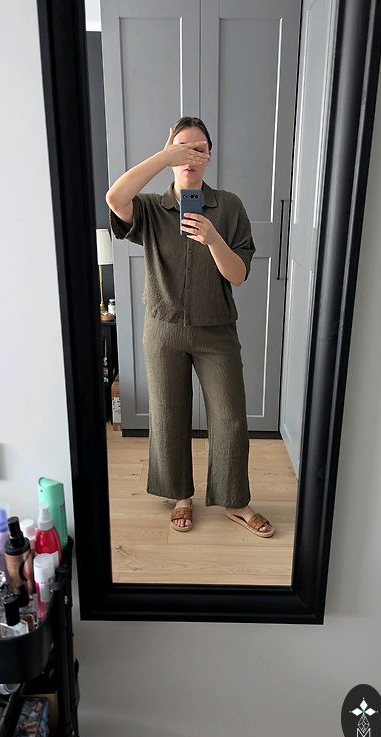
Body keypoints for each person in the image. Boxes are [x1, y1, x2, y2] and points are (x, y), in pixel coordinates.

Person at [105, 116, 274, 537]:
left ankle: (235, 501)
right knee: (168, 415)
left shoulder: (229, 206)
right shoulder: (151, 208)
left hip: (217, 330)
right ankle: (180, 496)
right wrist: (163, 157)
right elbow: (114, 197)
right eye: (182, 147)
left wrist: (213, 238)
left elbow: (238, 275)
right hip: (163, 329)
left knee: (230, 419)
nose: (189, 156)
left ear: (209, 156)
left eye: (198, 148)